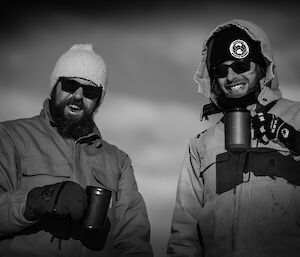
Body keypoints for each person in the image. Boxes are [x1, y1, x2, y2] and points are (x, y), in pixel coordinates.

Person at [0, 44, 153, 257]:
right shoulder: (10, 137)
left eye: (90, 91)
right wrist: (40, 199)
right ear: (55, 86)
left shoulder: (118, 161)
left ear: (98, 100)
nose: (79, 96)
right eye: (70, 85)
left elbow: (133, 240)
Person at [167, 19, 300, 257]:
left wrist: (289, 136)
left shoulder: (296, 117)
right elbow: (183, 235)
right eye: (220, 71)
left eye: (240, 66)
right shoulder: (201, 144)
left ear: (261, 66)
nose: (230, 77)